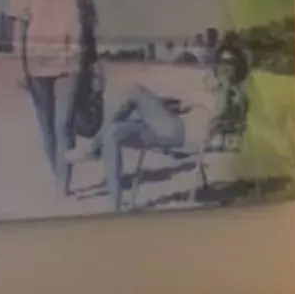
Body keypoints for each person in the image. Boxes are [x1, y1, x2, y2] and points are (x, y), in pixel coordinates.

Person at [96, 36, 245, 213]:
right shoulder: (207, 92)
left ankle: (91, 148)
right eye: (220, 65)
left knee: (134, 90)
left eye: (227, 66)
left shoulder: (233, 97)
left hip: (181, 133)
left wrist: (226, 87)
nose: (220, 70)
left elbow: (222, 114)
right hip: (171, 129)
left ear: (235, 71)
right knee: (113, 132)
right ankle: (115, 207)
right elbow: (178, 106)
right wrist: (156, 103)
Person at [6, 0, 97, 194]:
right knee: (46, 126)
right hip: (35, 61)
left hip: (70, 61)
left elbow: (89, 27)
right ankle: (57, 174)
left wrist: (95, 65)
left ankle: (62, 186)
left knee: (65, 125)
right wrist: (17, 67)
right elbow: (19, 22)